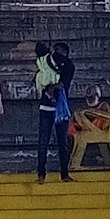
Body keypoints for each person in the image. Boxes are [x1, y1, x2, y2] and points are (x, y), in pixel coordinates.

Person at [36, 42, 75, 184]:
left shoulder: (69, 66)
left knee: (62, 143)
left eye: (59, 52)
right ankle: (41, 173)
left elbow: (62, 84)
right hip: (46, 108)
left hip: (60, 109)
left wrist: (50, 90)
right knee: (43, 142)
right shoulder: (45, 63)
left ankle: (64, 174)